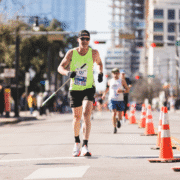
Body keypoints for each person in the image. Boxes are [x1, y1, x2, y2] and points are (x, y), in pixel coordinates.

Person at [58, 30, 103, 157]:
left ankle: (85, 145)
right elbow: (60, 67)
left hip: (89, 87)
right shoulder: (71, 53)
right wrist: (67, 73)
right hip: (75, 89)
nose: (84, 41)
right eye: (82, 38)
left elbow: (100, 63)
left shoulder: (94, 53)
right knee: (77, 117)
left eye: (87, 39)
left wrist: (100, 73)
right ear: (78, 40)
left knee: (86, 114)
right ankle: (77, 142)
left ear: (89, 40)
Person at [102, 68, 129, 134]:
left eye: (116, 73)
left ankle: (118, 120)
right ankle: (114, 127)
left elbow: (127, 89)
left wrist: (122, 91)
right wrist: (104, 94)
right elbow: (107, 89)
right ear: (112, 74)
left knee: (120, 116)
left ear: (119, 74)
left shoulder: (122, 81)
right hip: (112, 99)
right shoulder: (109, 81)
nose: (115, 74)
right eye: (114, 73)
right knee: (113, 113)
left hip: (120, 100)